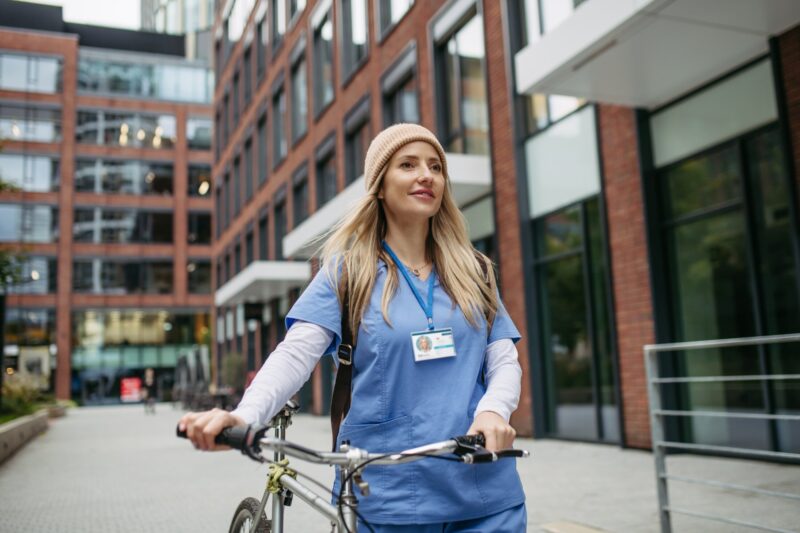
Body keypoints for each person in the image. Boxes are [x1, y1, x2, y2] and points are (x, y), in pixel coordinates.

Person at [179, 124, 526, 532]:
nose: (426, 175)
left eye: (435, 166)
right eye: (408, 165)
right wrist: (245, 416)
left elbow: (504, 358)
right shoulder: (347, 273)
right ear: (379, 185)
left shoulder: (475, 270)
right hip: (388, 493)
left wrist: (492, 411)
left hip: (483, 485)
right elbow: (295, 354)